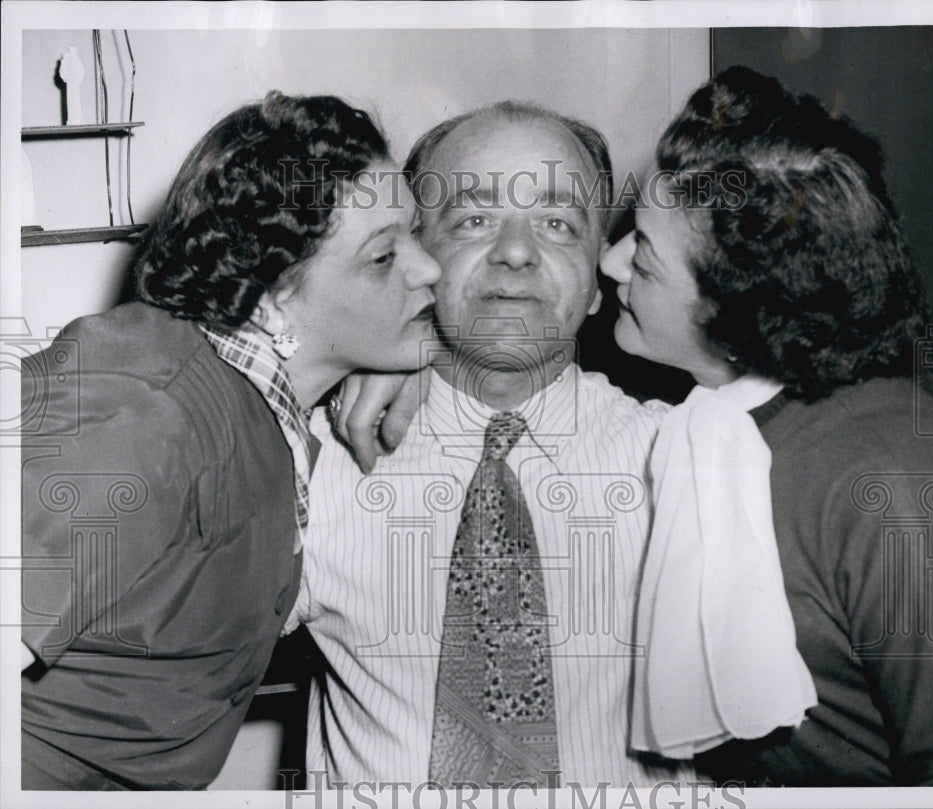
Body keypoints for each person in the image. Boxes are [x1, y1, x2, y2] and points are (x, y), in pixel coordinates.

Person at [20, 91, 440, 790]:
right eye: (383, 256)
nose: (426, 268)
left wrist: (419, 366)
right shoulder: (141, 410)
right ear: (272, 297)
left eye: (416, 234)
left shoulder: (269, 399)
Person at [294, 101, 691, 788]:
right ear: (411, 256)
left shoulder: (686, 459)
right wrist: (342, 355)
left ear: (601, 280)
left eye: (559, 224)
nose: (515, 251)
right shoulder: (312, 461)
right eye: (473, 219)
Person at [601, 66, 933, 786]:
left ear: (740, 308)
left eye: (643, 252)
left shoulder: (892, 473)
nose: (610, 259)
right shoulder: (694, 424)